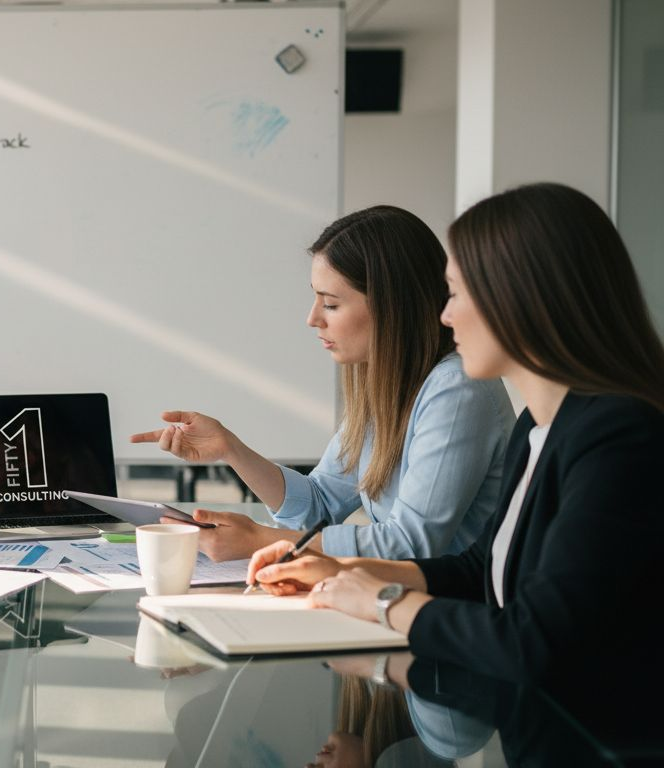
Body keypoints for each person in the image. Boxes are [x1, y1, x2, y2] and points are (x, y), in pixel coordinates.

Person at [247, 183, 664, 721]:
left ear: (522, 301)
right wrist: (343, 568)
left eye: (457, 295)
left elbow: (533, 640)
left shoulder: (618, 440)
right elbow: (476, 568)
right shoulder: (540, 431)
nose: (444, 317)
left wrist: (382, 603)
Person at [132, 206, 513, 561]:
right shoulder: (383, 385)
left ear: (391, 305)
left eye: (330, 303)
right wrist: (231, 450)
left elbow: (411, 545)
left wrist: (262, 542)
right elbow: (318, 504)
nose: (313, 318)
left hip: (452, 611)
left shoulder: (456, 391)